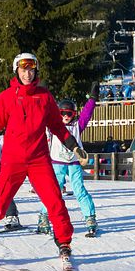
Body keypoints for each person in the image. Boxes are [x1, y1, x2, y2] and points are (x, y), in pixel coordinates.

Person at [0, 52, 88, 266]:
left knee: (55, 201)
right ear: (17, 70)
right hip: (13, 160)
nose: (27, 73)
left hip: (39, 160)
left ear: (36, 71)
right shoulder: (7, 97)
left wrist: (74, 146)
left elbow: (57, 126)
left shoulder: (44, 97)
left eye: (31, 69)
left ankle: (64, 244)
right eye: (23, 69)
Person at [38, 88, 99, 238]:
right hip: (57, 162)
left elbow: (87, 113)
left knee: (79, 191)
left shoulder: (78, 126)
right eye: (62, 113)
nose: (65, 116)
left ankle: (90, 217)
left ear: (74, 114)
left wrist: (92, 98)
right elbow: (43, 111)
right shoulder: (52, 126)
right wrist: (41, 95)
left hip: (74, 163)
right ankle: (44, 217)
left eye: (69, 114)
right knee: (53, 191)